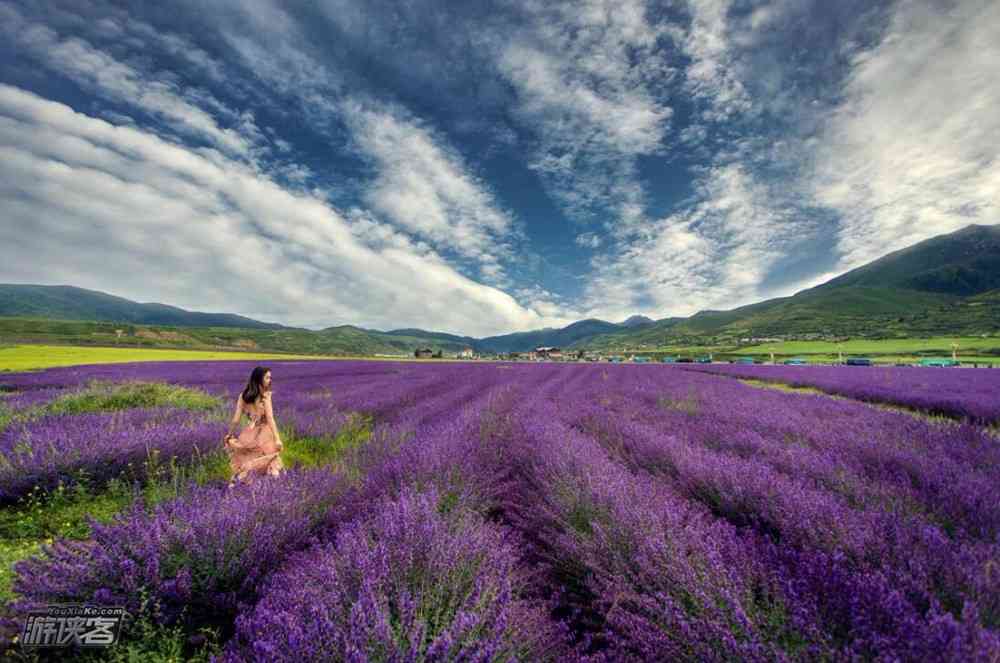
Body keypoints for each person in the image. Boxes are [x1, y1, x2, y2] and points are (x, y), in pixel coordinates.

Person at [223, 366, 284, 486]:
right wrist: (277, 439)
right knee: (270, 462)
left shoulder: (243, 396)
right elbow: (271, 419)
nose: (269, 380)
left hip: (249, 433)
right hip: (265, 435)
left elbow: (235, 420)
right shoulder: (265, 396)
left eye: (270, 378)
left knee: (248, 463)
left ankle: (238, 487)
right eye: (267, 377)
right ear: (259, 379)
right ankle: (273, 491)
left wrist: (229, 435)